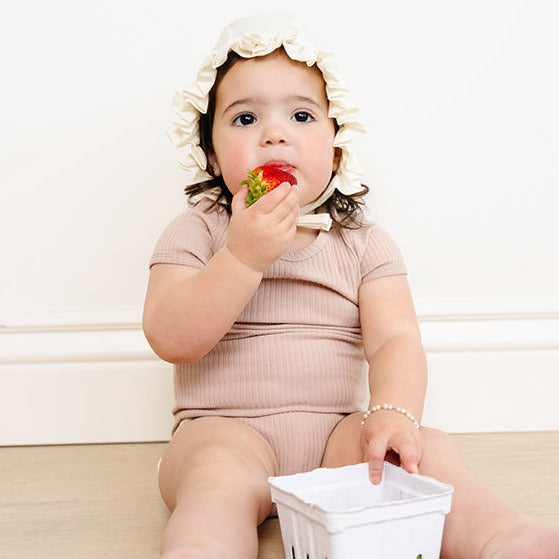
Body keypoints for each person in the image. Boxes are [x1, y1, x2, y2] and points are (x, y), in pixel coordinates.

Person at [142, 13, 559, 559]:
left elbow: (394, 341)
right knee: (213, 481)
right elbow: (170, 335)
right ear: (213, 156)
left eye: (300, 115)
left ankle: (507, 538)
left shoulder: (362, 242)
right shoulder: (197, 231)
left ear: (336, 151)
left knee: (425, 454)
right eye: (244, 118)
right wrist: (241, 257)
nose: (275, 133)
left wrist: (393, 410)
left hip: (335, 436)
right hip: (224, 431)